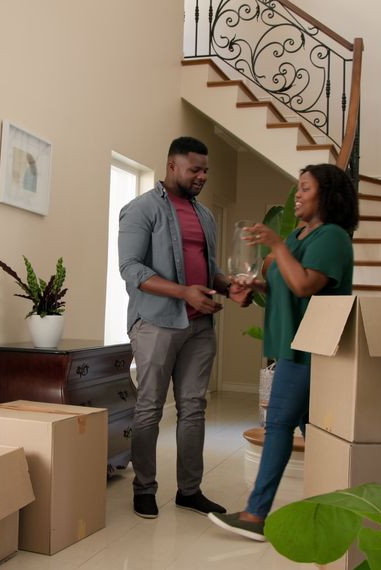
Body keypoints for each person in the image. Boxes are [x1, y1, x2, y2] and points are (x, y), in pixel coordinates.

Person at [208, 163, 358, 540]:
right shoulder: (297, 236)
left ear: (327, 195)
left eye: (305, 188)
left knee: (277, 425)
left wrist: (275, 246)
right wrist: (255, 286)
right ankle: (345, 512)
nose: (298, 196)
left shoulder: (334, 237)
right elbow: (285, 284)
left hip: (310, 348)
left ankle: (255, 516)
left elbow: (306, 284)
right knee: (320, 435)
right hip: (290, 344)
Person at [118, 136, 245, 519]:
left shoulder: (205, 216)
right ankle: (144, 488)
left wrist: (229, 285)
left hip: (199, 326)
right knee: (150, 408)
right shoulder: (139, 210)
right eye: (195, 169)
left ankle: (189, 491)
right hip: (156, 323)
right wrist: (183, 293)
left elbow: (209, 270)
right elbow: (131, 270)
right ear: (172, 166)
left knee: (193, 408)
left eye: (206, 170)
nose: (202, 176)